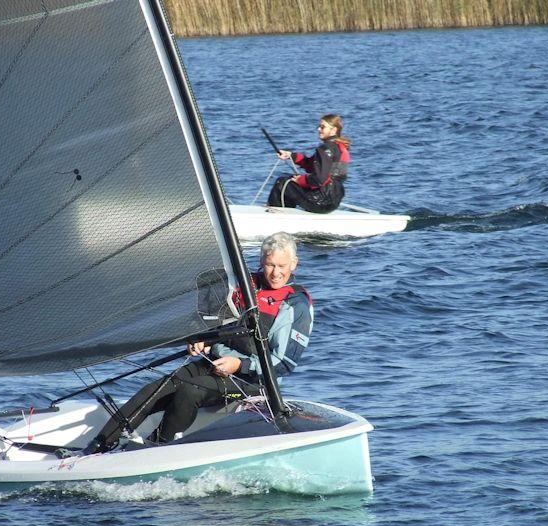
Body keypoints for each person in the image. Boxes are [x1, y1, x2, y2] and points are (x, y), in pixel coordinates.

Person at [64, 232, 313, 456]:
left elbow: (284, 363)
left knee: (189, 391)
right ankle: (97, 447)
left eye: (282, 266)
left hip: (252, 382)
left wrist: (239, 364)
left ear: (294, 264)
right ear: (261, 261)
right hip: (212, 363)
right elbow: (213, 322)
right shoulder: (244, 286)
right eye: (270, 264)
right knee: (153, 391)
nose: (276, 272)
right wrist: (199, 338)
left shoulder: (296, 305)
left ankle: (156, 448)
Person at [266, 114, 351, 214]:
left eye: (323, 127)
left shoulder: (325, 149)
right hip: (333, 200)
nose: (319, 129)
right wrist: (291, 156)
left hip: (320, 200)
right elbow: (312, 165)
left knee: (283, 182)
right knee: (291, 180)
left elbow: (320, 179)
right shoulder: (339, 148)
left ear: (333, 130)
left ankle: (276, 214)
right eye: (319, 126)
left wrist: (300, 180)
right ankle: (285, 212)